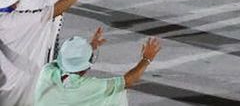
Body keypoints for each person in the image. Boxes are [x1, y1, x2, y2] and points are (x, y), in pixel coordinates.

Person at [32, 32, 161, 106]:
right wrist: (146, 59)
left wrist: (90, 47)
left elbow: (68, 60)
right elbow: (127, 81)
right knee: (116, 93)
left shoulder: (47, 71)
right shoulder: (86, 87)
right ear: (85, 67)